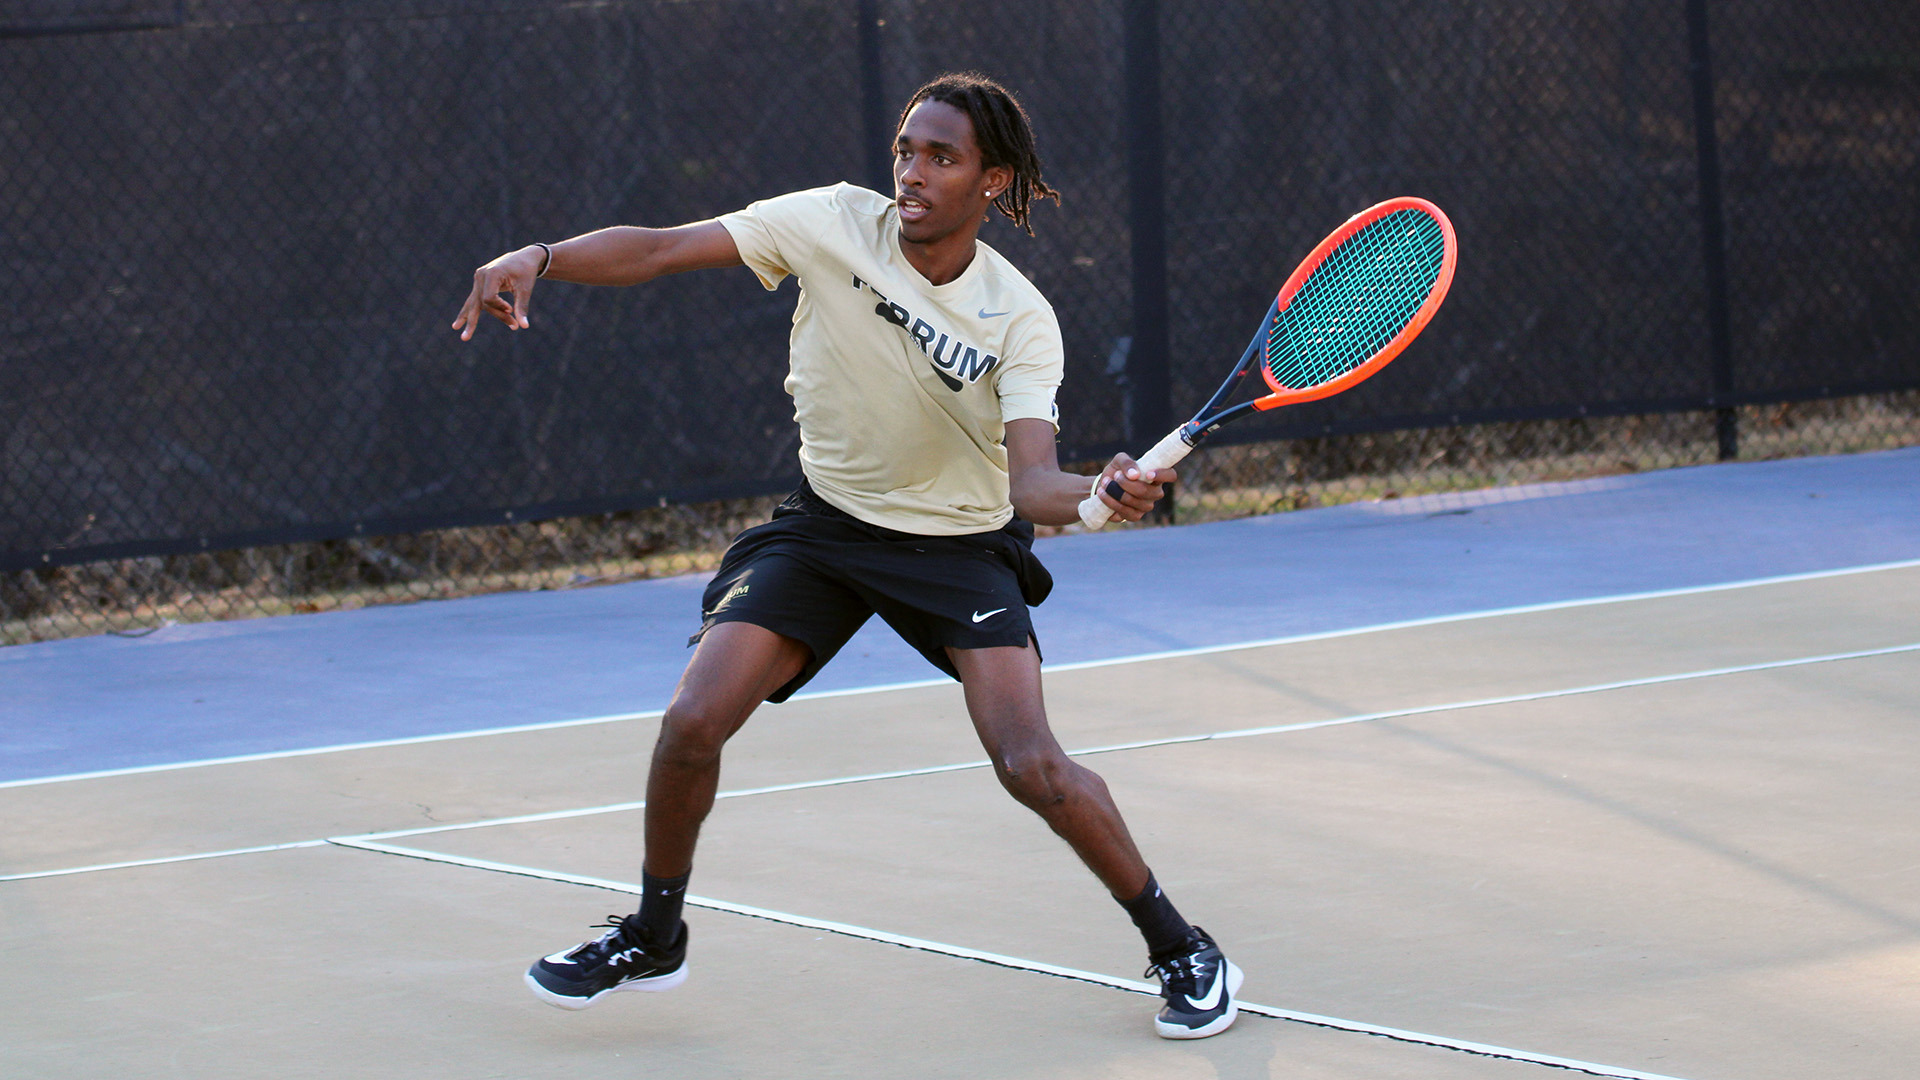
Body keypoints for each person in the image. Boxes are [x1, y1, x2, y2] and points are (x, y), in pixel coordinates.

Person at [453, 71, 1241, 1040]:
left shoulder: (1019, 318)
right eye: (907, 150)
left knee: (1031, 764)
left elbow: (1028, 482)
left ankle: (1182, 946)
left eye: (941, 158)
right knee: (694, 718)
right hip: (829, 528)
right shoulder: (830, 221)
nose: (912, 172)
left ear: (991, 181)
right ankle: (655, 935)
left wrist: (1095, 495)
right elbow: (660, 249)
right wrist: (542, 257)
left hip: (957, 547)